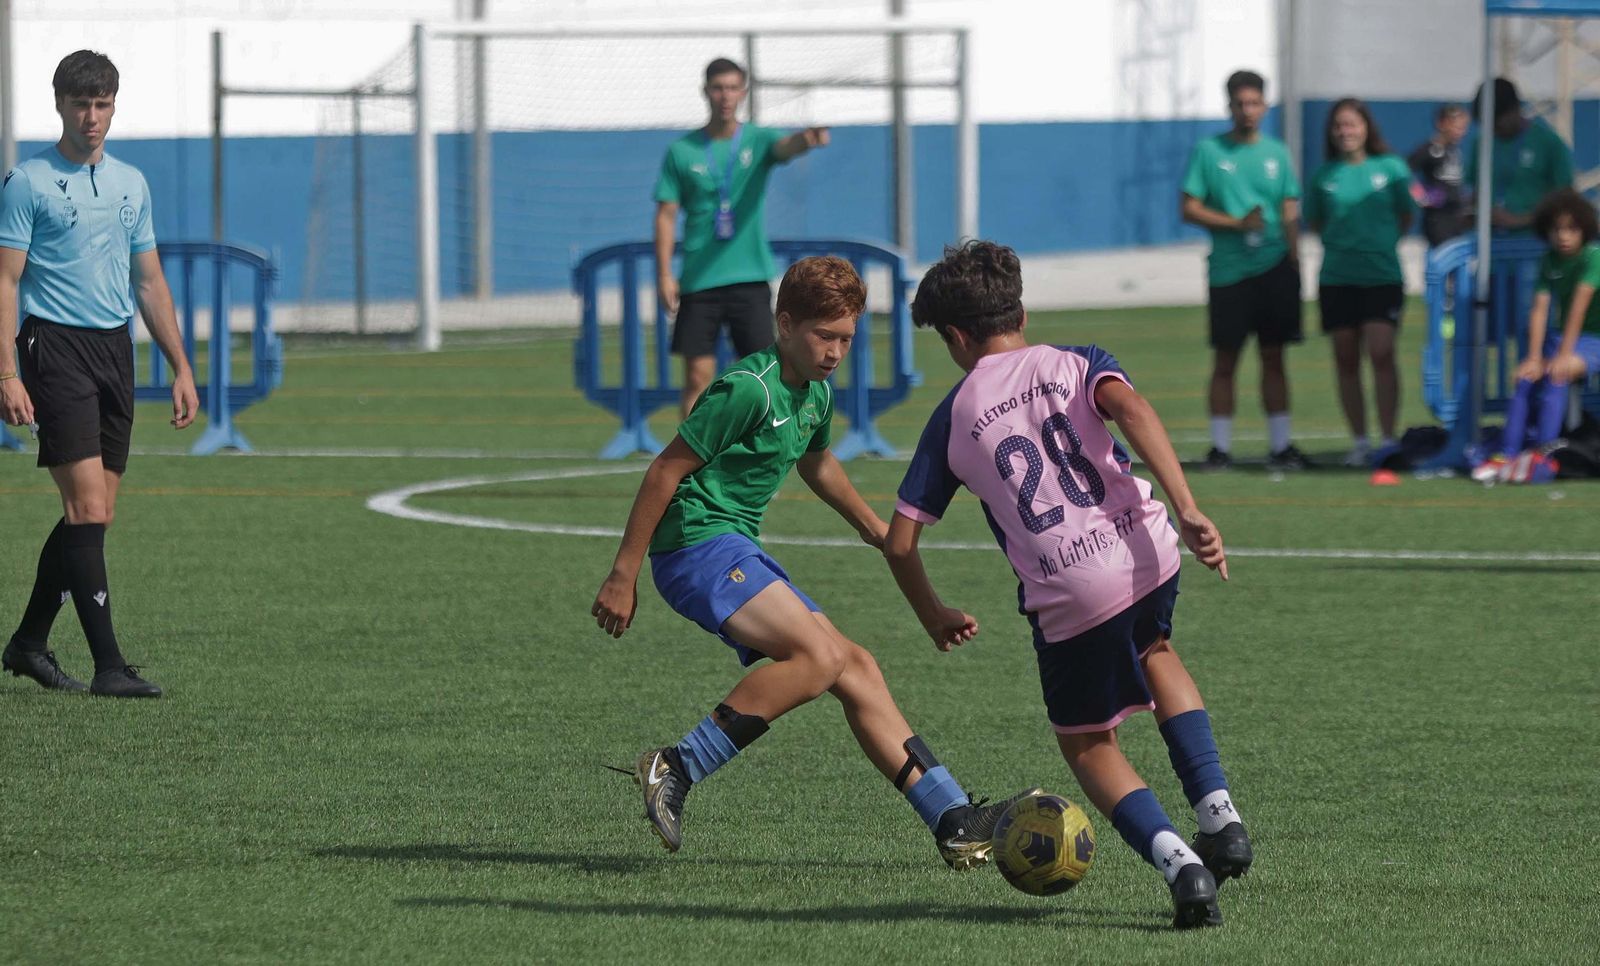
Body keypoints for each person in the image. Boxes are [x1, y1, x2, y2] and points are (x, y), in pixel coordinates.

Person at [591, 255, 1034, 866]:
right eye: (823, 336)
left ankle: (953, 817)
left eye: (846, 338)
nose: (834, 351)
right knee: (819, 657)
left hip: (732, 546)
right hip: (694, 544)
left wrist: (876, 530)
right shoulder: (748, 388)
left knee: (855, 665)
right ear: (784, 324)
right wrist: (623, 573)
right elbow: (665, 469)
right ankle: (678, 765)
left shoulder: (817, 393)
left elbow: (818, 463)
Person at [884, 240, 1248, 929]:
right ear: (1019, 308)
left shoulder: (955, 414)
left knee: (1086, 744)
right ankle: (1220, 818)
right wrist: (1191, 506)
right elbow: (1132, 413)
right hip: (1147, 551)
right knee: (1157, 651)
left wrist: (932, 611)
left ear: (958, 337)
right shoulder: (1076, 361)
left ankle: (1184, 866)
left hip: (1072, 591)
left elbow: (901, 540)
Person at [0, 51, 197, 698]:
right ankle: (110, 666)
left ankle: (29, 644)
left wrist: (181, 365)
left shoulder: (131, 184)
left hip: (116, 351)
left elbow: (151, 281)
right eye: (82, 104)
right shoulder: (26, 182)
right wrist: (7, 372)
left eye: (103, 104)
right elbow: (5, 280)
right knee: (85, 505)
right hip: (53, 349)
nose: (93, 117)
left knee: (97, 512)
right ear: (59, 103)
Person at [655, 58, 830, 421]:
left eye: (733, 88)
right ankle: (694, 463)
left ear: (743, 93)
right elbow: (666, 215)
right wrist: (664, 274)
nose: (725, 96)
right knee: (697, 377)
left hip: (749, 277)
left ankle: (763, 455)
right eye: (718, 87)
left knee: (764, 374)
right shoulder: (682, 151)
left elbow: (785, 147)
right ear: (705, 91)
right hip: (699, 280)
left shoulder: (757, 140)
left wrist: (807, 140)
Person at [1181, 69, 1311, 471]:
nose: (1248, 110)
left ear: (1265, 106)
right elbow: (1189, 206)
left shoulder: (1276, 152)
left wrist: (1294, 256)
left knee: (1274, 358)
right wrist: (1237, 224)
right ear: (1229, 107)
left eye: (1254, 103)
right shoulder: (1209, 151)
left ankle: (1281, 446)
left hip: (1274, 268)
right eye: (1240, 104)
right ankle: (1219, 449)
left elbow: (1289, 206)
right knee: (1226, 360)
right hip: (1229, 271)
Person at [1304, 99, 1417, 467]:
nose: (1345, 131)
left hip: (1382, 276)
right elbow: (1317, 223)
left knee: (1382, 353)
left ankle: (1387, 438)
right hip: (1337, 278)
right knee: (1345, 359)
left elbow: (1405, 215)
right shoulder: (1324, 176)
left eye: (1351, 124)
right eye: (1338, 125)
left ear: (1366, 127)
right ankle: (1359, 440)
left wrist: (1377, 243)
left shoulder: (1391, 168)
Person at [1475, 188, 1600, 479]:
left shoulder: (1594, 258)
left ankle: (1542, 455)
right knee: (1525, 378)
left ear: (1586, 229)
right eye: (1557, 229)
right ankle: (1506, 455)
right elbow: (1540, 310)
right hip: (1565, 339)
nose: (1564, 236)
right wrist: (1532, 358)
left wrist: (1565, 356)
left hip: (1593, 339)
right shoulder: (1549, 260)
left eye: (1572, 229)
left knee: (1558, 374)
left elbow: (1578, 309)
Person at [1466, 78, 1574, 235]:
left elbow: (1566, 198)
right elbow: (1473, 189)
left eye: (1497, 124)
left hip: (1534, 241)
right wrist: (1472, 213)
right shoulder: (1481, 143)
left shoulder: (1548, 143)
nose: (1494, 131)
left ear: (1514, 110)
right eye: (1488, 126)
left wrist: (1520, 220)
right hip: (1490, 242)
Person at [1408, 104, 1470, 247]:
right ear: (1441, 123)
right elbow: (1404, 173)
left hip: (1456, 219)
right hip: (1438, 220)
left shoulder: (1454, 150)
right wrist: (1422, 196)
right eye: (1456, 126)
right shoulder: (1428, 149)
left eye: (1463, 127)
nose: (1460, 132)